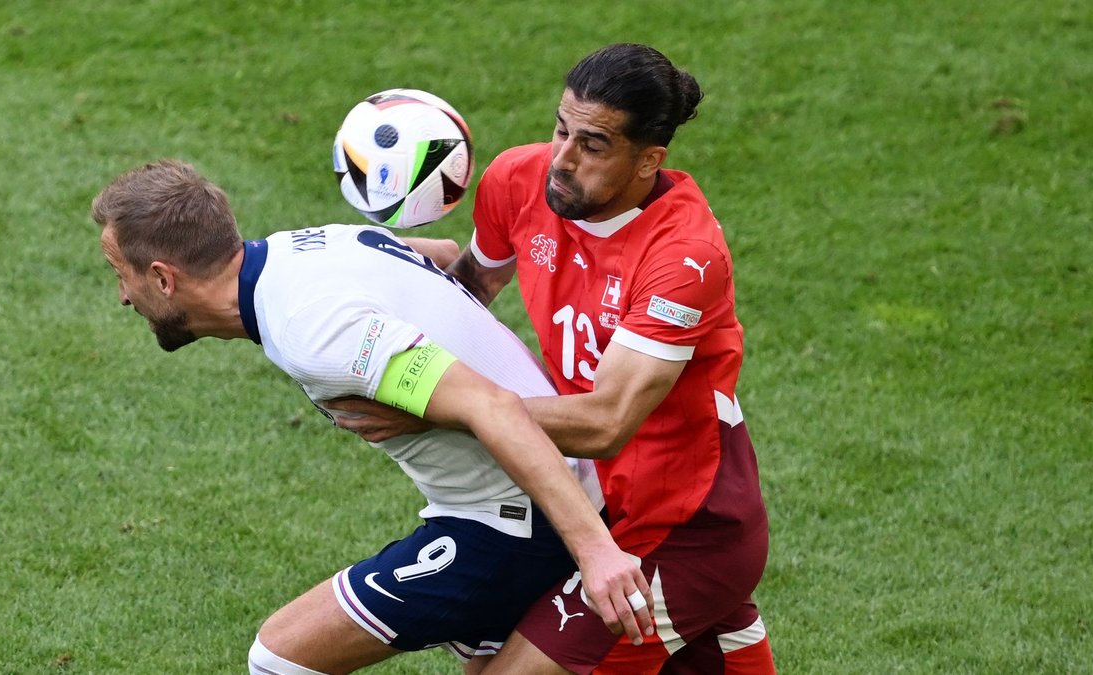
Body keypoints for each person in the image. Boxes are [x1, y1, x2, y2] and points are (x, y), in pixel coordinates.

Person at [86, 159, 654, 675]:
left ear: (163, 278)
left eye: (122, 273)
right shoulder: (308, 247)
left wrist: (596, 553)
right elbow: (433, 255)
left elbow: (491, 405)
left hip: (514, 524)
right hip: (533, 494)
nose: (122, 296)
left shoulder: (313, 329)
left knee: (279, 659)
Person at [332, 44, 776, 675]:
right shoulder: (518, 180)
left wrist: (439, 413)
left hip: (685, 527)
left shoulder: (684, 259)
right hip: (585, 502)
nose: (561, 160)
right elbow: (465, 296)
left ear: (650, 160)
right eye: (561, 129)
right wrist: (376, 260)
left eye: (593, 146)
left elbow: (606, 422)